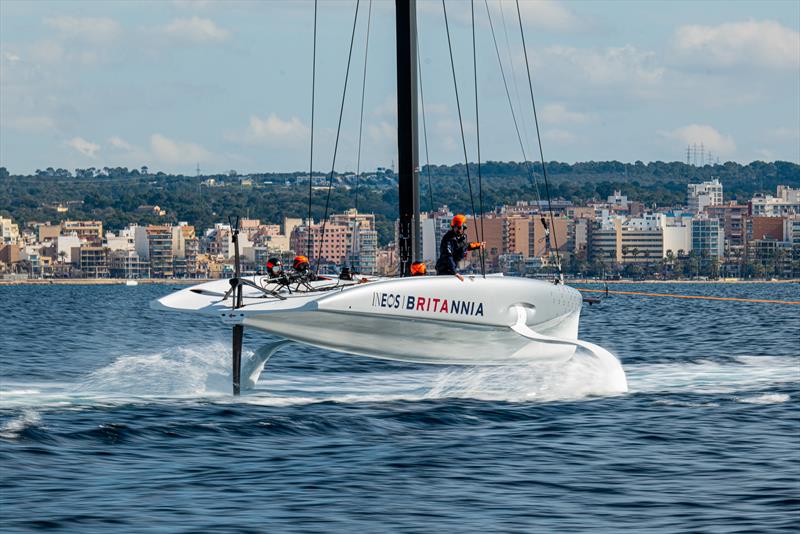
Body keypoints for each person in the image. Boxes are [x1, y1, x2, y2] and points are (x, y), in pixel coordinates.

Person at [435, 214, 484, 280]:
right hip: (444, 271)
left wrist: (479, 245)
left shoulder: (459, 238)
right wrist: (454, 272)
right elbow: (448, 256)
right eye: (455, 227)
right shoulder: (448, 238)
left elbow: (466, 246)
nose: (456, 229)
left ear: (464, 227)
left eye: (459, 227)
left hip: (452, 269)